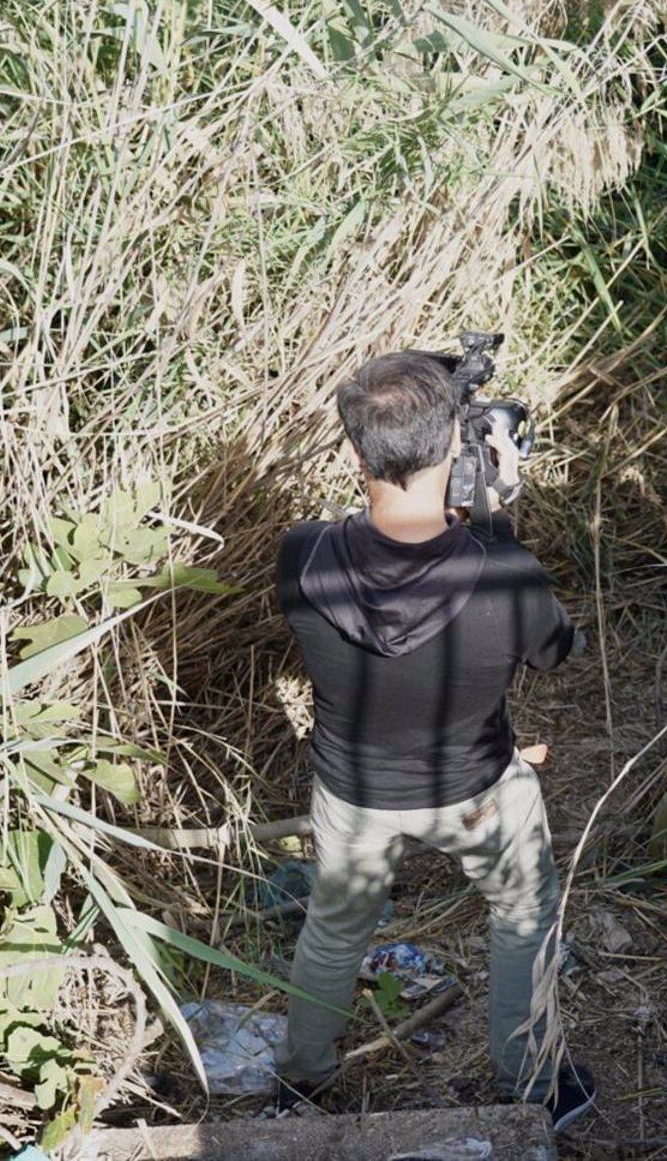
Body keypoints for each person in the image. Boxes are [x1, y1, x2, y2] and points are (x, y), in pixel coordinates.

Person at [271, 350, 595, 1132]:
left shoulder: (302, 556)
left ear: (354, 455)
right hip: (478, 790)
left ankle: (301, 1080)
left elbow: (394, 577)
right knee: (524, 915)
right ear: (458, 443)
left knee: (335, 926)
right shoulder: (505, 572)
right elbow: (556, 651)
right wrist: (495, 519)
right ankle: (531, 1079)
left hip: (354, 795)